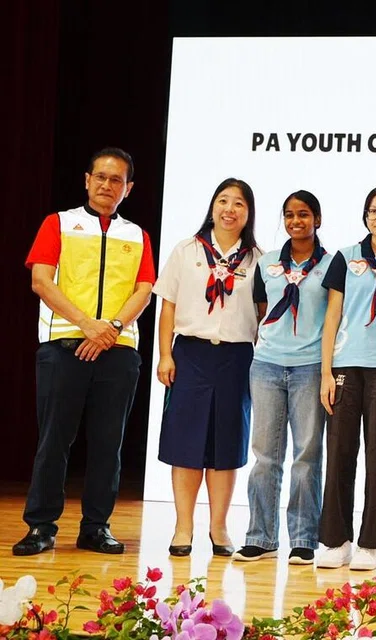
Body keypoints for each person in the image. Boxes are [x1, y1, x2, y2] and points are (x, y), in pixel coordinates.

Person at [15, 147, 155, 556]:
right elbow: (41, 281)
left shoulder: (137, 235)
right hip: (63, 346)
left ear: (128, 188)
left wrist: (111, 329)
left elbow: (144, 290)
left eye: (117, 180)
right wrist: (87, 325)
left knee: (109, 443)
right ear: (87, 180)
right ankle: (41, 526)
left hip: (118, 349)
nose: (107, 185)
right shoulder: (58, 223)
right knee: (54, 440)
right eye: (101, 177)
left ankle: (96, 527)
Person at [154, 178, 261, 557]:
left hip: (236, 360)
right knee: (185, 444)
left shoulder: (258, 259)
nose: (230, 209)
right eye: (223, 201)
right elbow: (167, 305)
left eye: (239, 204)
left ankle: (219, 527)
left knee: (225, 445)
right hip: (191, 356)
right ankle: (183, 527)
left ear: (248, 213)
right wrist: (165, 355)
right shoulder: (187, 250)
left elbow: (265, 314)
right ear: (213, 206)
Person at [232, 190, 333, 565]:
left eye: (304, 214)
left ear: (317, 219)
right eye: (289, 215)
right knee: (264, 456)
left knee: (307, 455)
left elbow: (334, 316)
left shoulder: (332, 265)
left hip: (310, 367)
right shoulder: (268, 263)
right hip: (267, 366)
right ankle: (261, 536)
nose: (296, 221)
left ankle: (304, 538)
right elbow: (263, 310)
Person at [316, 186, 376, 571]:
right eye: (374, 211)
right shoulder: (346, 257)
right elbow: (332, 316)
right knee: (340, 453)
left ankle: (370, 543)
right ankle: (336, 540)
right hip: (345, 365)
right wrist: (326, 372)